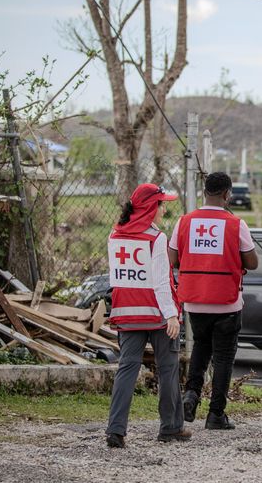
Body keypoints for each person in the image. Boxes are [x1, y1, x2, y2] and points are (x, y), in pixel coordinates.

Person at [169, 172, 258, 430]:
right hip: (227, 301)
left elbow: (173, 259)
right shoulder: (235, 224)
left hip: (195, 299)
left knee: (200, 347)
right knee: (223, 357)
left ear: (204, 192)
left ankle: (191, 395)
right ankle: (216, 414)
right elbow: (251, 262)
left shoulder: (184, 222)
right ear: (227, 194)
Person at [105, 183, 189, 448]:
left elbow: (117, 277)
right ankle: (171, 427)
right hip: (156, 314)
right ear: (151, 207)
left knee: (126, 369)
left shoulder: (114, 235)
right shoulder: (156, 238)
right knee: (167, 368)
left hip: (126, 313)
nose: (164, 209)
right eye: (162, 204)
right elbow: (162, 282)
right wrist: (171, 315)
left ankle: (115, 430)